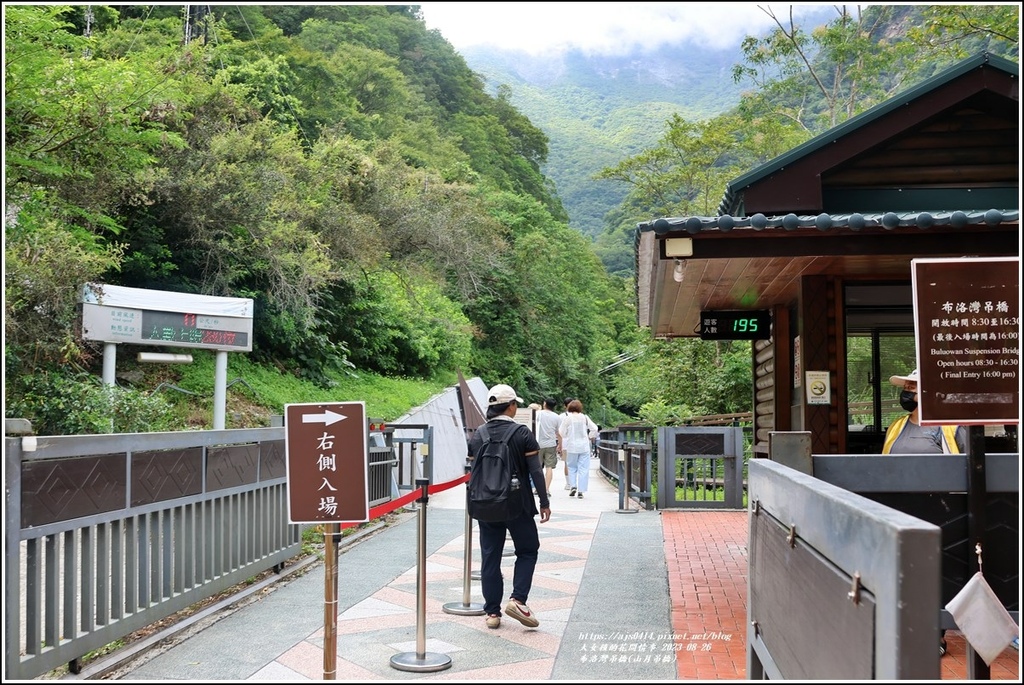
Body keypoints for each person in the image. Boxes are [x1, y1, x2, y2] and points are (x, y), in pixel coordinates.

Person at [883, 368, 966, 657]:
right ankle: (903, 631)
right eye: (906, 385)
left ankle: (935, 636)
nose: (906, 390)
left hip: (939, 512)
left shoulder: (950, 428)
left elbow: (964, 468)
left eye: (912, 386)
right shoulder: (897, 426)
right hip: (900, 511)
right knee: (903, 571)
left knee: (936, 572)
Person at [467, 383, 551, 630]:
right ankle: (517, 600)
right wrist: (544, 502)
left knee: (490, 555)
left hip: (485, 504)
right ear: (512, 406)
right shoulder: (522, 433)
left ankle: (492, 613)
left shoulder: (478, 434)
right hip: (517, 503)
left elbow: (474, 471)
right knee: (527, 550)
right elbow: (535, 470)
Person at [558, 399, 598, 499]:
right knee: (583, 468)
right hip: (584, 446)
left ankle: (573, 486)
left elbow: (561, 432)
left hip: (571, 446)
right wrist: (589, 436)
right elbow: (595, 428)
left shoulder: (567, 418)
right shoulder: (584, 417)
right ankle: (581, 490)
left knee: (571, 467)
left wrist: (567, 435)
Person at [535, 398, 562, 495]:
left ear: (545, 404)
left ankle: (538, 488)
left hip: (538, 443)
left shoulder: (538, 414)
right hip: (551, 444)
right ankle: (546, 489)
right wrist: (560, 445)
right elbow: (559, 433)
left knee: (538, 467)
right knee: (549, 467)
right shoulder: (557, 417)